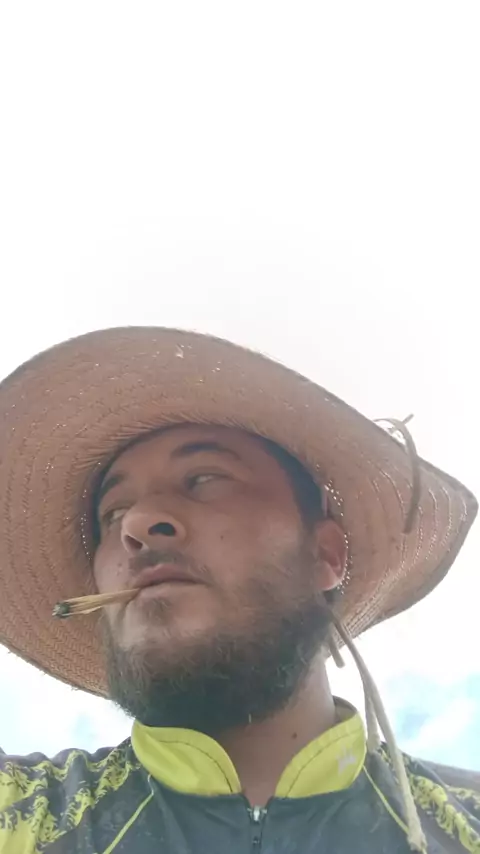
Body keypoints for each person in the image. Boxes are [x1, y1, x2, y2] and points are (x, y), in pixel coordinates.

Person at [0, 327, 479, 854]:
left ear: (326, 553)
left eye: (204, 479)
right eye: (112, 514)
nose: (136, 523)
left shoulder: (465, 826)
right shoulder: (19, 812)